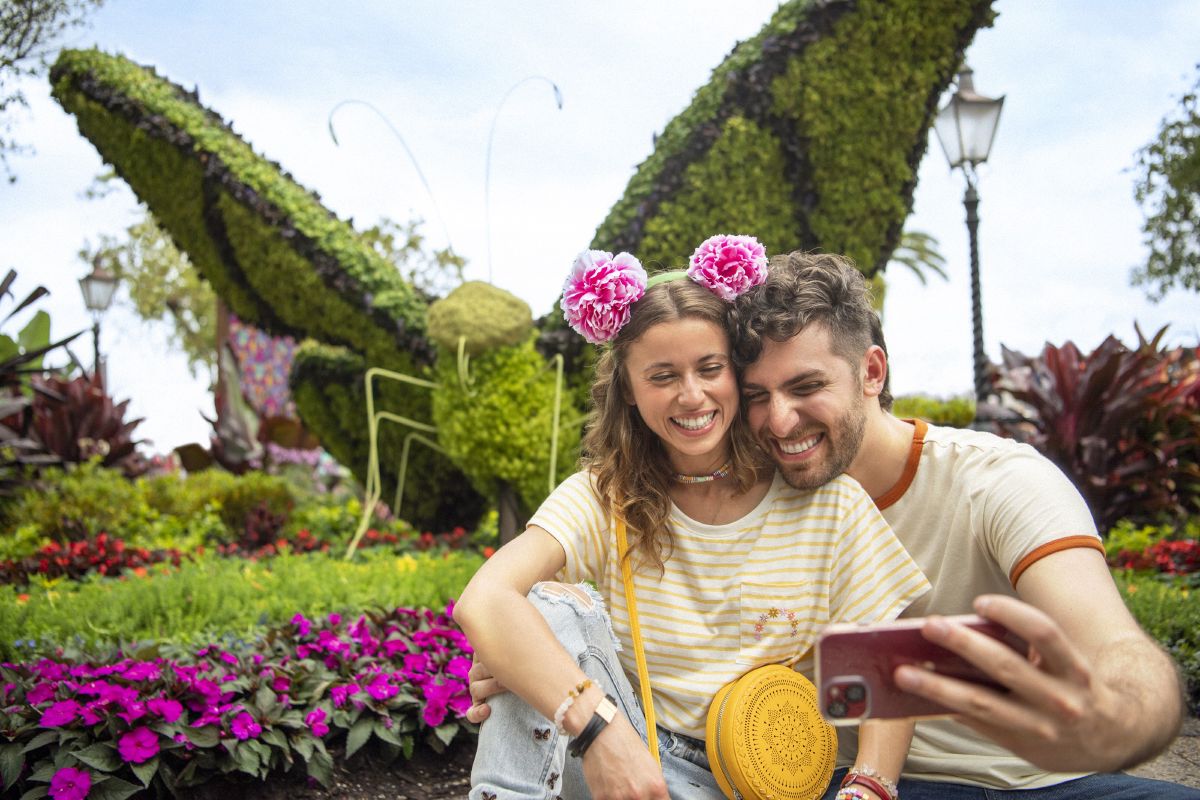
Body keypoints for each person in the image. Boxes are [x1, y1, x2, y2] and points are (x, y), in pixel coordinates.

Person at [454, 237, 931, 800]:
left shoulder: (827, 505)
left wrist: (869, 788)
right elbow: (484, 600)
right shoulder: (603, 496)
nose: (691, 395)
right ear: (627, 390)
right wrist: (602, 733)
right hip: (634, 763)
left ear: (737, 373)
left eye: (711, 368)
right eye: (661, 376)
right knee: (543, 607)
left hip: (773, 780)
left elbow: (884, 657)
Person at [731, 250, 1196, 799]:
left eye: (806, 387)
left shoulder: (998, 481)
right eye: (757, 396)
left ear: (871, 372)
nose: (779, 421)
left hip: (1043, 782)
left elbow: (1117, 646)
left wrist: (1115, 722)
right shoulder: (754, 499)